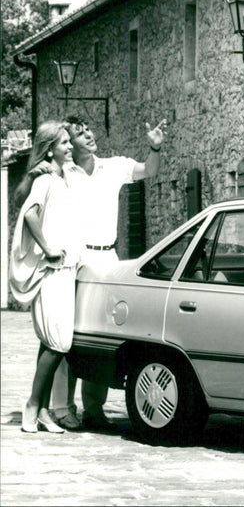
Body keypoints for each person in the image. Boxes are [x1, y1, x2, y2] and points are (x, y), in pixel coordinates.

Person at [47, 115, 167, 431]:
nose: (88, 135)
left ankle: (94, 408)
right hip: (74, 258)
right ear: (69, 143)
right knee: (65, 333)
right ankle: (60, 406)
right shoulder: (61, 174)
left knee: (100, 334)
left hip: (108, 259)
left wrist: (154, 148)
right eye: (79, 132)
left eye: (88, 129)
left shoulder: (113, 166)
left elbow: (149, 170)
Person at [10, 121, 84, 433]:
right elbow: (29, 213)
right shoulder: (44, 179)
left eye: (69, 141)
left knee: (51, 341)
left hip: (67, 271)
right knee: (59, 342)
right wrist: (48, 248)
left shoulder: (64, 177)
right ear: (50, 148)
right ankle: (31, 405)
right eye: (64, 142)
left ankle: (40, 410)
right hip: (52, 271)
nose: (69, 146)